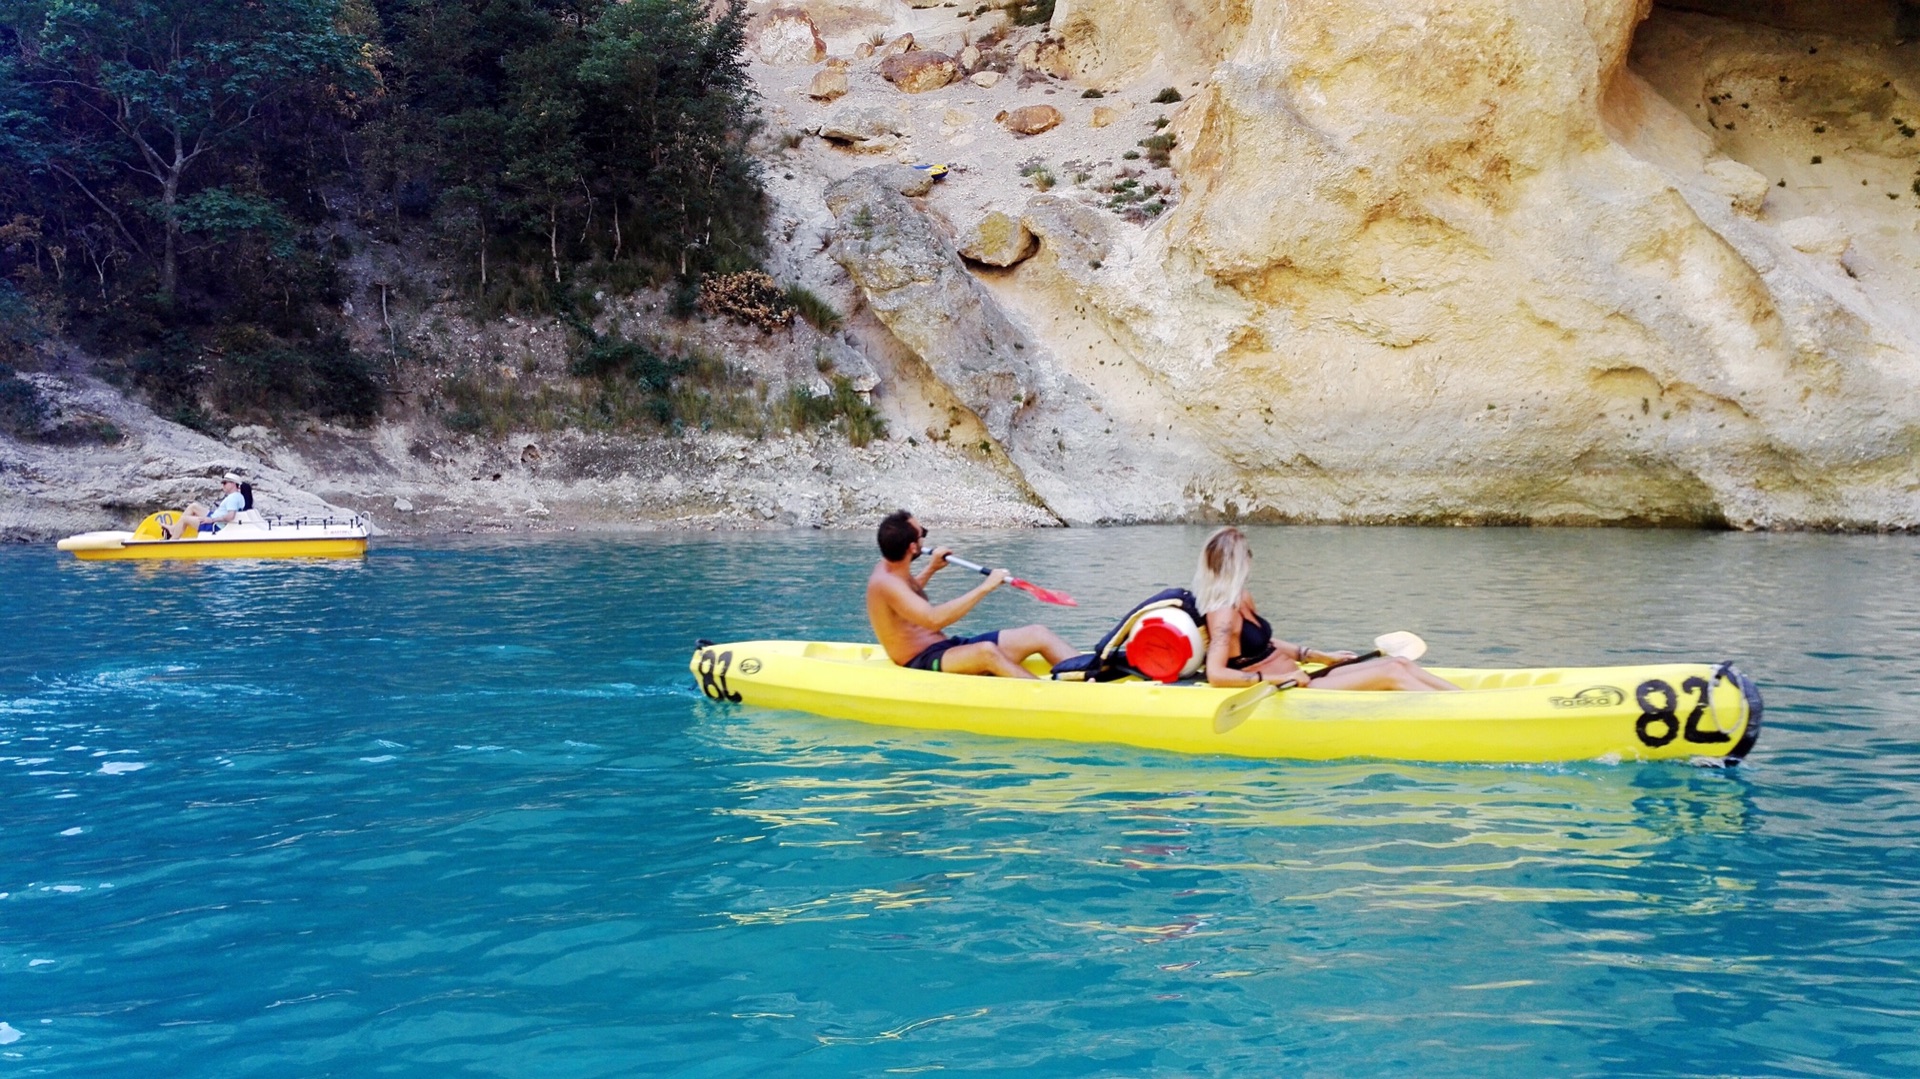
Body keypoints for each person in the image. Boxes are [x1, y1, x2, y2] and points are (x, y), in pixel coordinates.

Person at [1192, 526, 1458, 691]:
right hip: (1295, 689)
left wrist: (1322, 657)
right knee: (1391, 673)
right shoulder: (1222, 614)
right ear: (1237, 563)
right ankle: (1463, 712)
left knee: (1398, 662)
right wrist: (1270, 680)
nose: (1251, 560)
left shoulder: (1242, 598)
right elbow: (1216, 674)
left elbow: (1264, 644)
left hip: (1305, 676)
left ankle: (1469, 700)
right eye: (1246, 555)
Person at [866, 509, 1077, 678]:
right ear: (913, 547)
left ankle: (1092, 674)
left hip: (945, 648)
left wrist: (931, 568)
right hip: (922, 661)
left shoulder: (893, 568)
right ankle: (1052, 698)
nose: (925, 539)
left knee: (1037, 633)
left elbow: (907, 598)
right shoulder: (887, 583)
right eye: (923, 534)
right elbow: (934, 619)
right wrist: (985, 586)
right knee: (986, 652)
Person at [167, 472, 248, 539]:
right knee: (193, 506)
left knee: (184, 519)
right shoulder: (238, 496)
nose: (223, 486)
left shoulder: (233, 498)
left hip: (215, 525)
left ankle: (172, 541)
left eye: (225, 483)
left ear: (233, 484)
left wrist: (211, 520)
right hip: (215, 518)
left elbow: (231, 516)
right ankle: (174, 529)